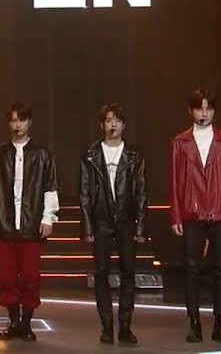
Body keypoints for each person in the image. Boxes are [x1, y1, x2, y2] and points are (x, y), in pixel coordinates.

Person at [168, 88, 221, 344]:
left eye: (208, 108)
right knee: (191, 268)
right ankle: (194, 323)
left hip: (220, 211)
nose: (204, 113)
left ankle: (220, 324)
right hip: (192, 212)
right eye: (199, 108)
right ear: (191, 110)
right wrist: (176, 216)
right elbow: (174, 182)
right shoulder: (180, 143)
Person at [0, 102, 59, 342]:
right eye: (14, 120)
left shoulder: (42, 154)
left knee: (29, 277)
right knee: (6, 277)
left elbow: (50, 187)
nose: (18, 125)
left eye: (21, 120)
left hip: (31, 224)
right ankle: (13, 321)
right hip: (4, 224)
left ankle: (26, 323)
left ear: (29, 122)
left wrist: (48, 217)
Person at [79, 103, 148, 344]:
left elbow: (141, 192)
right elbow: (84, 194)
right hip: (101, 220)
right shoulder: (91, 155)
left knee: (128, 273)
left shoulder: (134, 155)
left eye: (117, 120)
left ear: (123, 124)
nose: (113, 124)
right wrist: (87, 227)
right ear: (102, 124)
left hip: (126, 220)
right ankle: (107, 327)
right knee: (101, 273)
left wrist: (141, 225)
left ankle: (125, 327)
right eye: (108, 120)